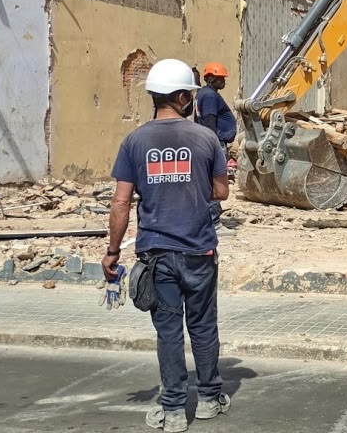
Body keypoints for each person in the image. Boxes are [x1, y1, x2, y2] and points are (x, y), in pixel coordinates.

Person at [103, 58, 231, 433]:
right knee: (203, 326)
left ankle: (173, 410)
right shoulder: (206, 139)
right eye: (190, 95)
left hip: (157, 255)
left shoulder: (135, 141)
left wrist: (112, 252)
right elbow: (221, 191)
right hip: (199, 252)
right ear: (180, 96)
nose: (192, 100)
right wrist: (192, 183)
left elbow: (121, 202)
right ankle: (209, 399)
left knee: (169, 332)